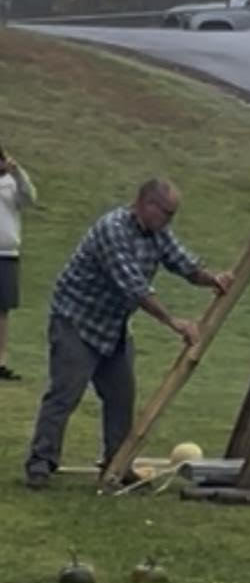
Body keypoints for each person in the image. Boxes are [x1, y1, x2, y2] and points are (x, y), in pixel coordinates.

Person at [24, 178, 233, 490]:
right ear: (147, 205)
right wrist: (174, 322)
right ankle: (41, 463)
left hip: (113, 326)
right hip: (76, 320)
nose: (170, 221)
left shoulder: (157, 232)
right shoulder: (113, 230)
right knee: (65, 394)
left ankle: (116, 465)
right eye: (167, 213)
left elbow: (184, 264)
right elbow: (134, 287)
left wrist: (213, 279)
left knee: (121, 397)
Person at [0, 144, 37, 381]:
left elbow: (29, 198)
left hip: (6, 254)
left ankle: (0, 362)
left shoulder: (12, 184)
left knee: (2, 312)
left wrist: (17, 172)